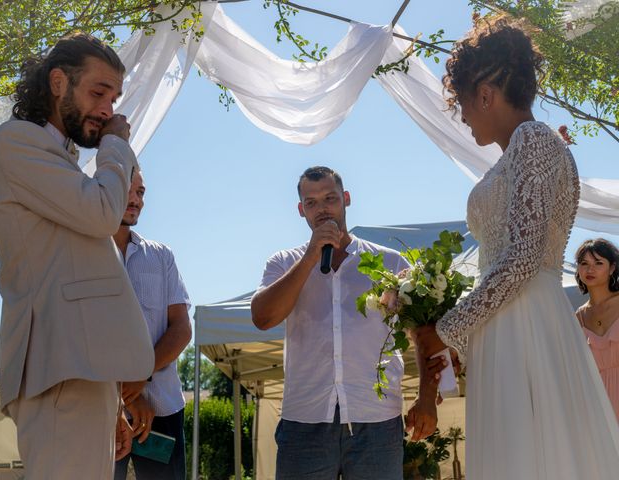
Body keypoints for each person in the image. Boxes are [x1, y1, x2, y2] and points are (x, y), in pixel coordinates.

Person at [408, 16, 619, 479]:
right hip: (507, 323)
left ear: (485, 93)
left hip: (526, 324)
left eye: (463, 102)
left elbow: (522, 258)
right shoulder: (523, 151)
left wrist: (447, 328)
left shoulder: (533, 139)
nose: (463, 117)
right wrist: (462, 337)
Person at [0, 33, 155, 479]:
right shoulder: (15, 142)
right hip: (56, 370)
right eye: (99, 92)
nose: (109, 109)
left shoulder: (60, 158)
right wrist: (117, 145)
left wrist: (111, 397)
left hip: (80, 373)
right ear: (58, 82)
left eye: (114, 97)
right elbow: (102, 215)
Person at [251, 166, 410, 480]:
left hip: (376, 422)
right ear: (301, 210)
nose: (321, 208)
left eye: (330, 198)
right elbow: (263, 317)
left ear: (346, 199)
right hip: (304, 423)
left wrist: (431, 396)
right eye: (311, 203)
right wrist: (311, 256)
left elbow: (424, 331)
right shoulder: (283, 263)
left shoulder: (391, 263)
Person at [113, 170, 192, 480]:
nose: (136, 200)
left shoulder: (161, 256)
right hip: (100, 411)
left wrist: (140, 377)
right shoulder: (82, 255)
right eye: (127, 191)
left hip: (163, 410)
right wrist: (122, 393)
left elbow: (182, 329)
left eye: (141, 193)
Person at [575, 239, 619, 421]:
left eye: (598, 263)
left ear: (612, 268)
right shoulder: (578, 317)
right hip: (595, 405)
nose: (589, 269)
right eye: (584, 263)